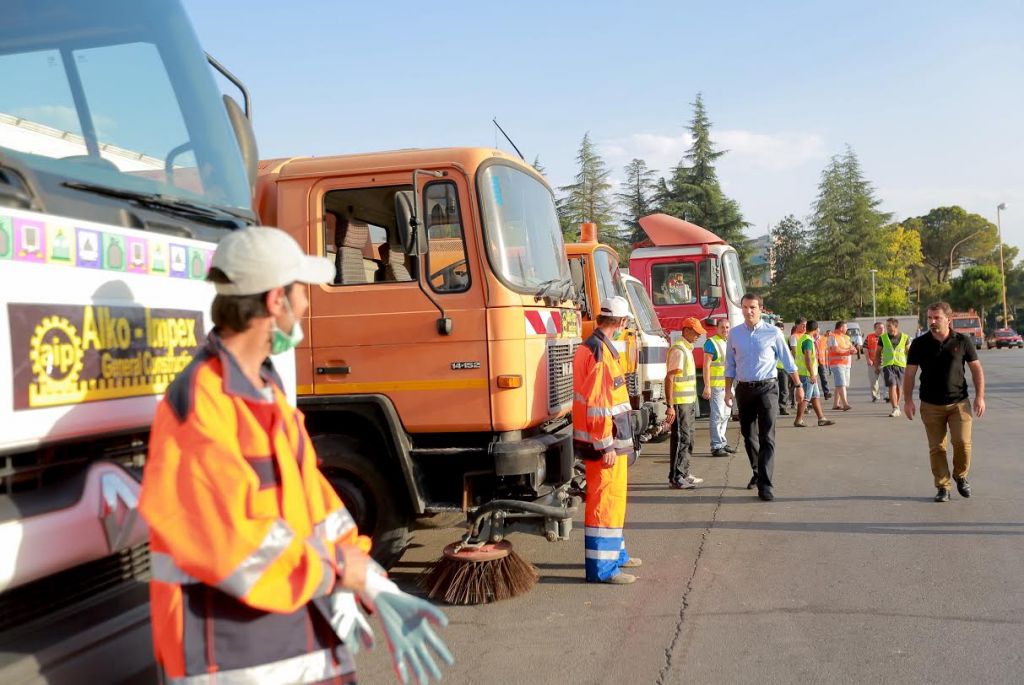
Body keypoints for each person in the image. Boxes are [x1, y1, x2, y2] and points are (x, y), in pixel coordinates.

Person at [139, 227, 453, 685]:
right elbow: (233, 543)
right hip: (229, 655)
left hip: (287, 639)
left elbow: (316, 507)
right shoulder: (202, 403)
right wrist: (338, 572)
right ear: (275, 302)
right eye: (302, 291)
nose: (307, 304)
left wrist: (369, 577)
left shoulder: (264, 391)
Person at [573, 296, 641, 584]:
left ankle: (617, 556)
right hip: (605, 443)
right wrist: (605, 445)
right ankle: (603, 569)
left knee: (614, 500)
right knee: (604, 502)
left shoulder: (595, 347)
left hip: (608, 440)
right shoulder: (600, 353)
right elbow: (599, 406)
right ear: (621, 322)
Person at [903, 302, 986, 502]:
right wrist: (908, 401)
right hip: (930, 405)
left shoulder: (963, 341)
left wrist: (980, 397)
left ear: (948, 319)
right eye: (929, 318)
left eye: (936, 318)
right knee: (937, 448)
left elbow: (976, 369)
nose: (932, 321)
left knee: (963, 443)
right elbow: (910, 373)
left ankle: (960, 475)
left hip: (959, 403)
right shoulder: (919, 344)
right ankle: (943, 487)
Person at [724, 293, 804, 501]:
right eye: (745, 307)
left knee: (767, 436)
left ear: (761, 309)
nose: (748, 311)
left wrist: (798, 385)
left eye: (752, 307)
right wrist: (727, 391)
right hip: (744, 390)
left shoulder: (773, 332)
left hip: (767, 389)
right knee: (748, 435)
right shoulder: (734, 334)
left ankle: (765, 485)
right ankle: (757, 472)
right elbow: (729, 364)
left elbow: (788, 361)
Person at [664, 318, 707, 490]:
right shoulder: (679, 350)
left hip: (687, 403)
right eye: (696, 333)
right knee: (682, 439)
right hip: (680, 404)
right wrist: (670, 405)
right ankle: (676, 477)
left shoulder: (686, 349)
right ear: (686, 330)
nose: (698, 336)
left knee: (689, 439)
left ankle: (683, 472)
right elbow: (670, 378)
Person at [703, 317, 736, 456]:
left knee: (726, 415)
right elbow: (706, 366)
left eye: (727, 327)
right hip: (716, 386)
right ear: (717, 328)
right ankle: (716, 446)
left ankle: (722, 441)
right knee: (717, 416)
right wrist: (707, 386)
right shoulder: (711, 342)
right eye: (722, 327)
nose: (725, 330)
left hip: (727, 386)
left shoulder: (728, 342)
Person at [793, 321, 836, 428]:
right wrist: (812, 374)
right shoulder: (807, 341)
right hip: (807, 374)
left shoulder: (804, 338)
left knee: (815, 396)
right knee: (806, 397)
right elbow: (807, 358)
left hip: (807, 373)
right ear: (816, 329)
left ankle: (821, 418)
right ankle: (798, 420)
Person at [876, 317, 910, 417]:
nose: (887, 328)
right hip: (888, 365)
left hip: (901, 365)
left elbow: (909, 352)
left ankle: (897, 406)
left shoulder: (905, 337)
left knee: (899, 387)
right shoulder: (883, 338)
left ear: (895, 326)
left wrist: (911, 365)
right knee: (892, 385)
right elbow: (878, 352)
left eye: (889, 326)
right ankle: (895, 407)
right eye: (887, 326)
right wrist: (877, 365)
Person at [827, 321, 856, 411]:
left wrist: (854, 350)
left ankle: (836, 404)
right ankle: (845, 404)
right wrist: (848, 351)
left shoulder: (846, 337)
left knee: (843, 384)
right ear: (841, 328)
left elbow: (851, 347)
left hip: (846, 363)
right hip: (837, 363)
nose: (847, 329)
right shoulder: (832, 336)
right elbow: (835, 349)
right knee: (841, 383)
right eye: (845, 327)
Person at [775, 322, 792, 416]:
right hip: (773, 368)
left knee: (784, 388)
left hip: (783, 367)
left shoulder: (786, 339)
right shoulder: (770, 339)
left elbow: (790, 352)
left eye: (781, 329)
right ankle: (772, 407)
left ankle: (783, 408)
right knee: (771, 389)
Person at [864, 322, 884, 402]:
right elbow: (865, 348)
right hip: (873, 363)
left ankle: (888, 396)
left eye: (883, 328)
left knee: (887, 380)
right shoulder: (869, 337)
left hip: (885, 363)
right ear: (875, 329)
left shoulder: (887, 337)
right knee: (873, 381)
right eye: (880, 328)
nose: (882, 329)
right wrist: (868, 359)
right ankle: (875, 396)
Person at [815, 331, 832, 400]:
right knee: (814, 379)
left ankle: (826, 393)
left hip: (821, 361)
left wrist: (827, 363)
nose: (816, 333)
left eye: (817, 331)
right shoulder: (810, 339)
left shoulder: (823, 339)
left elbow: (827, 349)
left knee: (824, 377)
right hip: (813, 362)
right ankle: (814, 395)